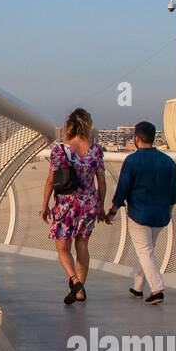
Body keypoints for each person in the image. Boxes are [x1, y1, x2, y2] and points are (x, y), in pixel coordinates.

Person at [105, 120, 176, 305]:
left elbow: (122, 189)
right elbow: (175, 192)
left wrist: (113, 211)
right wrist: (169, 211)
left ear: (136, 138)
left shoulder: (132, 161)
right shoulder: (168, 162)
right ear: (153, 138)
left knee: (145, 251)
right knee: (148, 251)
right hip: (161, 215)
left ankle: (157, 289)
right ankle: (138, 286)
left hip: (139, 214)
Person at [40, 108, 107, 305]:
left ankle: (74, 280)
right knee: (83, 246)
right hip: (89, 203)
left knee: (62, 248)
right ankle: (80, 291)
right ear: (88, 125)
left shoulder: (60, 150)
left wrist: (44, 206)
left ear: (69, 125)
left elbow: (51, 180)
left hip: (67, 204)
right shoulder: (95, 150)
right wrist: (101, 205)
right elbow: (101, 182)